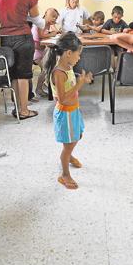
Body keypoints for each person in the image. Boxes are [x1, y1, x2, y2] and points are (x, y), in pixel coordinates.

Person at [0, 0, 44, 120]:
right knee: (23, 75)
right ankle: (24, 110)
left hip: (5, 38)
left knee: (14, 74)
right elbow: (39, 23)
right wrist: (28, 16)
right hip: (23, 38)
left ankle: (17, 107)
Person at [43, 32, 93, 190]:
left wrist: (81, 80)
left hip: (74, 111)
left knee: (77, 135)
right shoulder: (58, 73)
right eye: (78, 54)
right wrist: (79, 84)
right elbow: (62, 98)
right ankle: (64, 174)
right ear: (68, 53)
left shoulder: (68, 66)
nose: (79, 58)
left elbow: (70, 87)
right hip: (65, 113)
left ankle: (69, 154)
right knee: (68, 144)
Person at [32, 8, 60, 97]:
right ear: (45, 15)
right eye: (53, 17)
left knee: (53, 63)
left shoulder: (47, 24)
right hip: (35, 52)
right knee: (46, 68)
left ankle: (47, 85)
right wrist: (52, 34)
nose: (54, 19)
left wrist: (54, 29)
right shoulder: (41, 23)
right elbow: (41, 35)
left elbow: (46, 35)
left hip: (42, 50)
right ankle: (38, 89)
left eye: (56, 17)